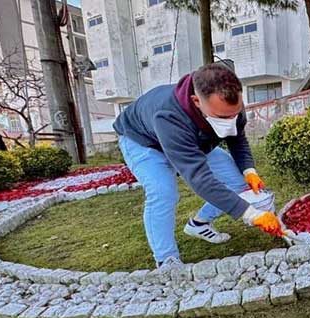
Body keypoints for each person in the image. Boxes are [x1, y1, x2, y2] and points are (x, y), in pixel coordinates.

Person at [113, 63, 283, 269]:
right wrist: (251, 214)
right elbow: (200, 179)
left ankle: (199, 224)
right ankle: (166, 259)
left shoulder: (229, 100)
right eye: (223, 117)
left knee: (238, 182)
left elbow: (237, 138)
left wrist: (249, 171)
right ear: (196, 101)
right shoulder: (169, 116)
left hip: (193, 138)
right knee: (163, 192)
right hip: (143, 141)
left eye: (234, 114)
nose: (231, 120)